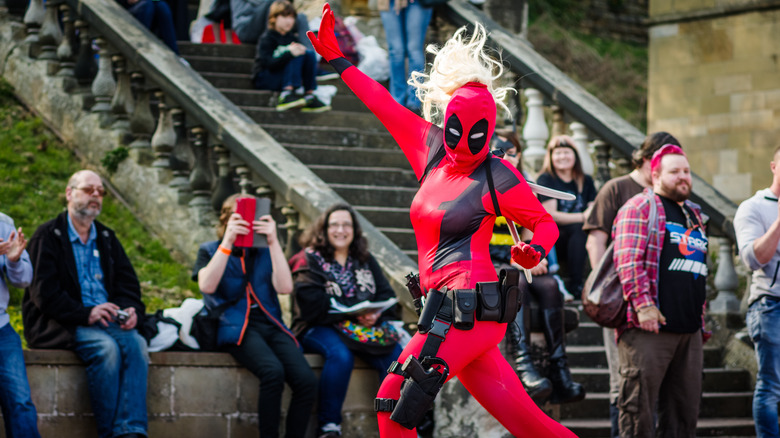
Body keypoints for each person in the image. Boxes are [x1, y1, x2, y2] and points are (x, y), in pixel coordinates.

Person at [309, 5, 576, 436]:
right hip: (448, 310)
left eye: (477, 134)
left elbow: (545, 223)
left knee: (393, 402)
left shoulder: (497, 175)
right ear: (446, 120)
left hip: (466, 309)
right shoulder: (430, 148)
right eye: (457, 130)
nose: (464, 143)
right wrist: (338, 60)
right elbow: (380, 102)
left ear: (489, 131)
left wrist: (534, 250)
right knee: (530, 424)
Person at [23, 170, 148, 438]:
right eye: (88, 189)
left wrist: (131, 309)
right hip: (63, 322)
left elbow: (129, 285)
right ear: (69, 193)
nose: (95, 196)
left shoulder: (106, 238)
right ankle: (107, 432)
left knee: (136, 344)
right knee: (106, 349)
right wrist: (86, 313)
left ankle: (130, 431)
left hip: (107, 319)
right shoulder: (47, 236)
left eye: (100, 192)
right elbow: (43, 294)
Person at [193, 193, 316, 438]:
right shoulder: (210, 250)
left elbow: (285, 287)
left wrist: (273, 242)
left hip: (270, 323)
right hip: (235, 326)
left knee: (307, 381)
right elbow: (206, 285)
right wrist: (228, 241)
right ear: (226, 219)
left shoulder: (265, 253)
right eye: (238, 219)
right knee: (273, 372)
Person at [582, 131, 680, 438]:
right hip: (622, 302)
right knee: (622, 382)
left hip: (664, 306)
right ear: (650, 158)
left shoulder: (670, 195)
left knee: (661, 388)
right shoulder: (617, 188)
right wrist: (608, 294)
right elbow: (595, 242)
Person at [612, 144, 709, 438]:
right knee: (638, 416)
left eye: (687, 171)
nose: (683, 177)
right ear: (655, 175)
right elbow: (627, 261)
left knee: (683, 418)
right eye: (675, 172)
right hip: (648, 330)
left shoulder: (695, 214)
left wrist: (701, 321)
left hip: (689, 331)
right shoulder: (639, 207)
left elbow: (700, 269)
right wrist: (644, 306)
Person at [289, 203, 404, 438]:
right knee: (340, 355)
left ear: (354, 230)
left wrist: (375, 314)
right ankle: (329, 426)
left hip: (361, 330)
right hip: (318, 327)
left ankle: (399, 424)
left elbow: (386, 294)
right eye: (334, 225)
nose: (340, 230)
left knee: (395, 356)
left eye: (346, 225)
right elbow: (310, 305)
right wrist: (351, 313)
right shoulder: (308, 259)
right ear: (323, 229)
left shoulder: (364, 259)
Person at [734, 145, 780, 438]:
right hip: (771, 305)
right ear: (774, 166)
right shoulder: (753, 206)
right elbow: (753, 259)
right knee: (772, 385)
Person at [536, 135, 596, 297]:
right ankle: (574, 284)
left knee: (580, 230)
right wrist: (582, 217)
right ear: (551, 157)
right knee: (578, 227)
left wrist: (584, 217)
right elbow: (551, 215)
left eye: (567, 152)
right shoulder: (546, 179)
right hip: (555, 240)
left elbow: (592, 209)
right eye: (558, 153)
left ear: (575, 155)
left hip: (578, 238)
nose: (562, 157)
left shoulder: (586, 180)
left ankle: (577, 285)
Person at [0, 213, 41, 438]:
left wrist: (14, 260)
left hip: (1, 330)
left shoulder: (3, 224)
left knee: (20, 403)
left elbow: (24, 279)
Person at [252, 1, 330, 112]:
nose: (289, 21)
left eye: (292, 17)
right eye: (284, 16)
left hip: (284, 76)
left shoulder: (292, 38)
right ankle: (286, 94)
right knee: (294, 54)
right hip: (265, 77)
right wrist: (289, 53)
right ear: (274, 18)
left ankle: (309, 94)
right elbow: (268, 63)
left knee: (308, 53)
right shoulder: (267, 38)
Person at [378, 0, 433, 112]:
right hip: (389, 2)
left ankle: (414, 101)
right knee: (395, 51)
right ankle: (397, 100)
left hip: (417, 2)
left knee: (414, 50)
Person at [230, 0, 310, 45]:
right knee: (273, 4)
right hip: (245, 29)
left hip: (261, 24)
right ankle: (271, 46)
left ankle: (312, 59)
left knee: (301, 17)